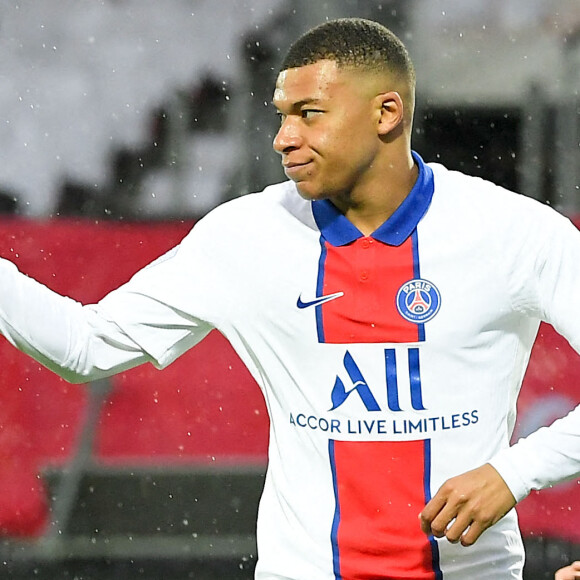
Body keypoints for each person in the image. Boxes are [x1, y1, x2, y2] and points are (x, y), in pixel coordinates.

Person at [0, 16, 579, 580]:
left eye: (310, 115)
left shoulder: (515, 233)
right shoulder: (245, 237)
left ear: (387, 113)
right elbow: (87, 345)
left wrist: (514, 473)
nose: (284, 138)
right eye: (281, 116)